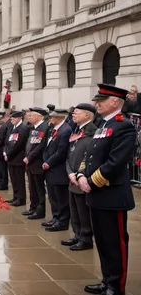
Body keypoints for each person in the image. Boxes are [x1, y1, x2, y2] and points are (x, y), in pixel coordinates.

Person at [77, 84, 137, 295]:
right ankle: (106, 279)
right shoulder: (102, 125)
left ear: (115, 102)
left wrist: (91, 182)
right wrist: (82, 174)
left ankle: (116, 286)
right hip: (96, 193)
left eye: (102, 100)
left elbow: (116, 162)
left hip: (111, 194)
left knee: (115, 242)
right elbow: (90, 155)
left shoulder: (124, 126)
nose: (96, 103)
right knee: (102, 240)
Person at [64, 103, 97, 251]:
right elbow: (70, 154)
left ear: (87, 115)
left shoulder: (93, 133)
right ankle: (77, 235)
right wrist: (70, 172)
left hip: (82, 178)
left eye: (77, 112)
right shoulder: (78, 131)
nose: (73, 115)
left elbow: (89, 156)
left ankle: (85, 238)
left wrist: (79, 174)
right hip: (72, 177)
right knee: (75, 210)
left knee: (83, 212)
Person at [42, 109, 72, 232]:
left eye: (52, 117)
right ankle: (55, 217)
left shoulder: (65, 130)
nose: (50, 120)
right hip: (50, 168)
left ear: (59, 118)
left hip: (58, 169)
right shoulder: (54, 129)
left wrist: (49, 162)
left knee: (61, 198)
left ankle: (62, 221)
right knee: (53, 196)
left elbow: (61, 151)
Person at [23, 108, 49, 219]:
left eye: (33, 115)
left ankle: (40, 210)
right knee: (32, 187)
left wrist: (29, 157)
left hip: (37, 162)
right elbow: (30, 144)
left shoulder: (44, 127)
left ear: (40, 116)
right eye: (30, 115)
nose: (30, 117)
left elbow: (40, 146)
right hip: (30, 162)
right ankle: (33, 207)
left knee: (39, 188)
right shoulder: (34, 128)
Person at [4, 111, 29, 207]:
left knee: (19, 179)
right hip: (10, 157)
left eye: (13, 118)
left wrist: (8, 154)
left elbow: (18, 144)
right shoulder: (12, 127)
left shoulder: (23, 128)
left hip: (18, 157)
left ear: (19, 118)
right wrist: (5, 151)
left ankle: (21, 199)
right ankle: (15, 196)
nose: (11, 120)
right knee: (13, 179)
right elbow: (8, 141)